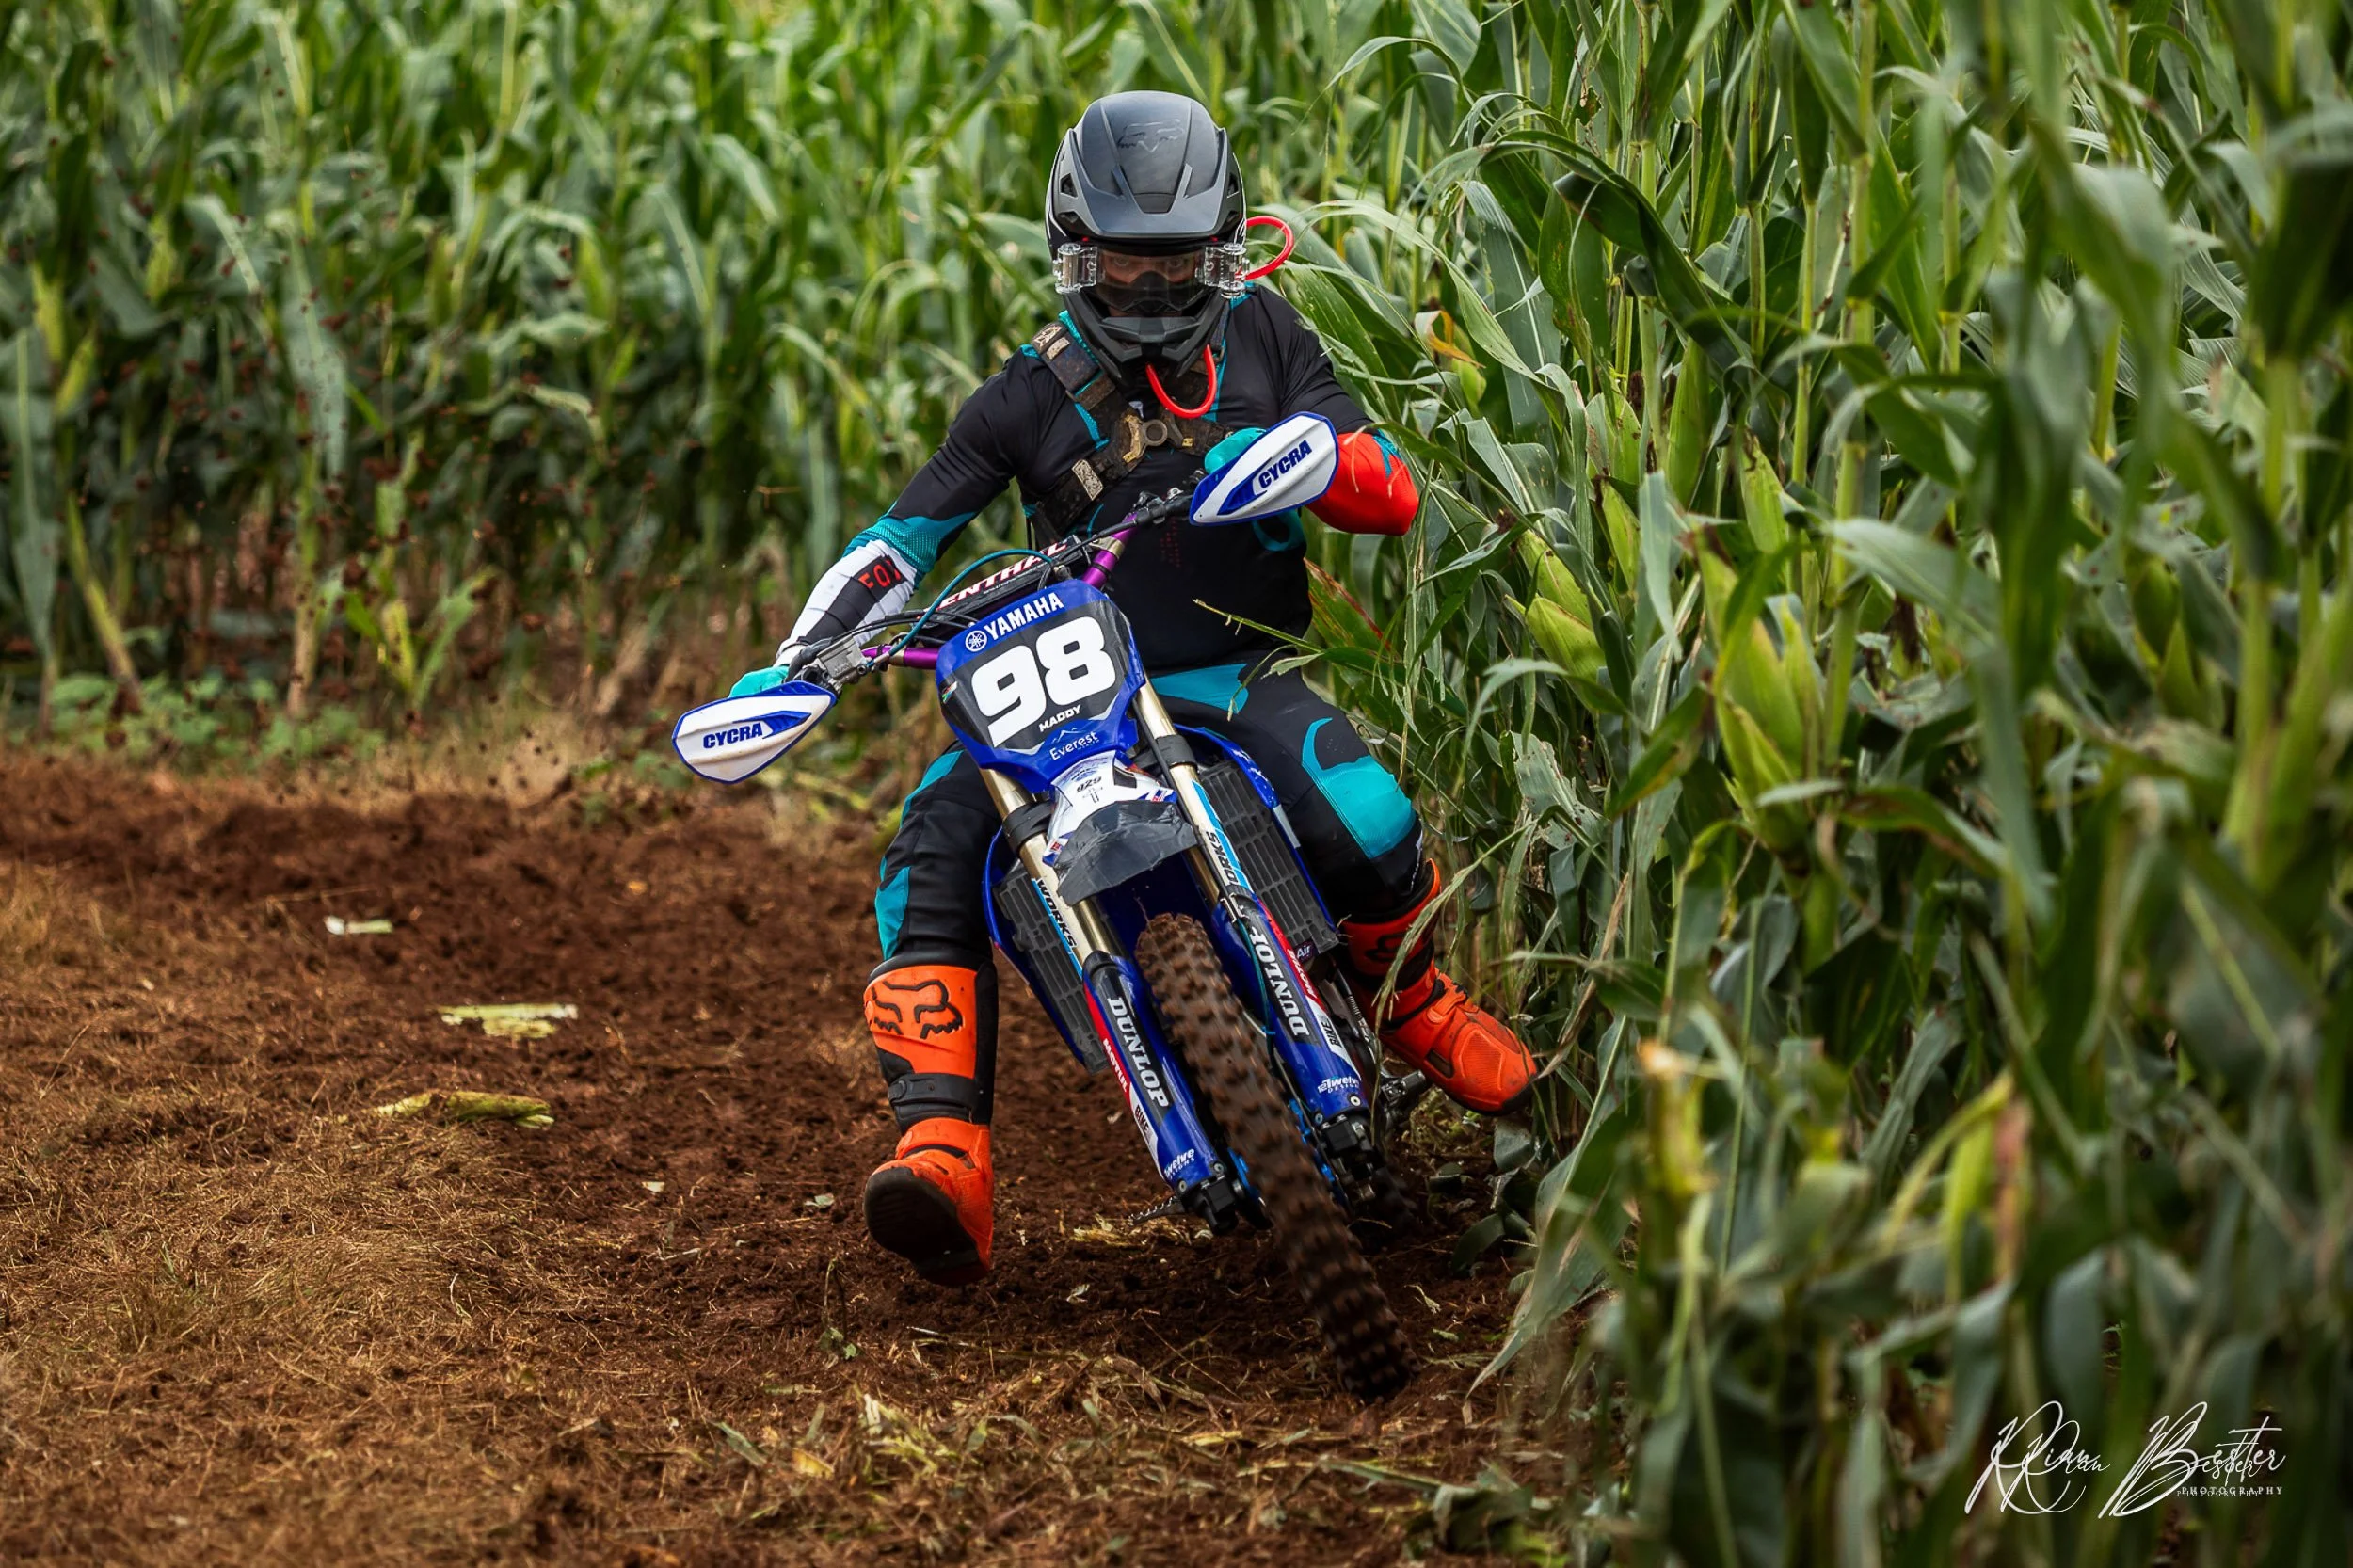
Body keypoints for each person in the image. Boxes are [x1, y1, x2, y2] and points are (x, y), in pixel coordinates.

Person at [733, 92, 1534, 1286]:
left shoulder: (1270, 338)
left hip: (1223, 663)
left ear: (1220, 250)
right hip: (1057, 691)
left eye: (1175, 265)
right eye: (1124, 262)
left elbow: (1387, 483)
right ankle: (945, 1146)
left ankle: (1409, 997)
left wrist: (1310, 459)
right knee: (928, 852)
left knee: (1366, 815)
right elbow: (904, 537)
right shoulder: (1021, 395)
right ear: (1073, 250)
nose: (1153, 293)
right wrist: (800, 662)